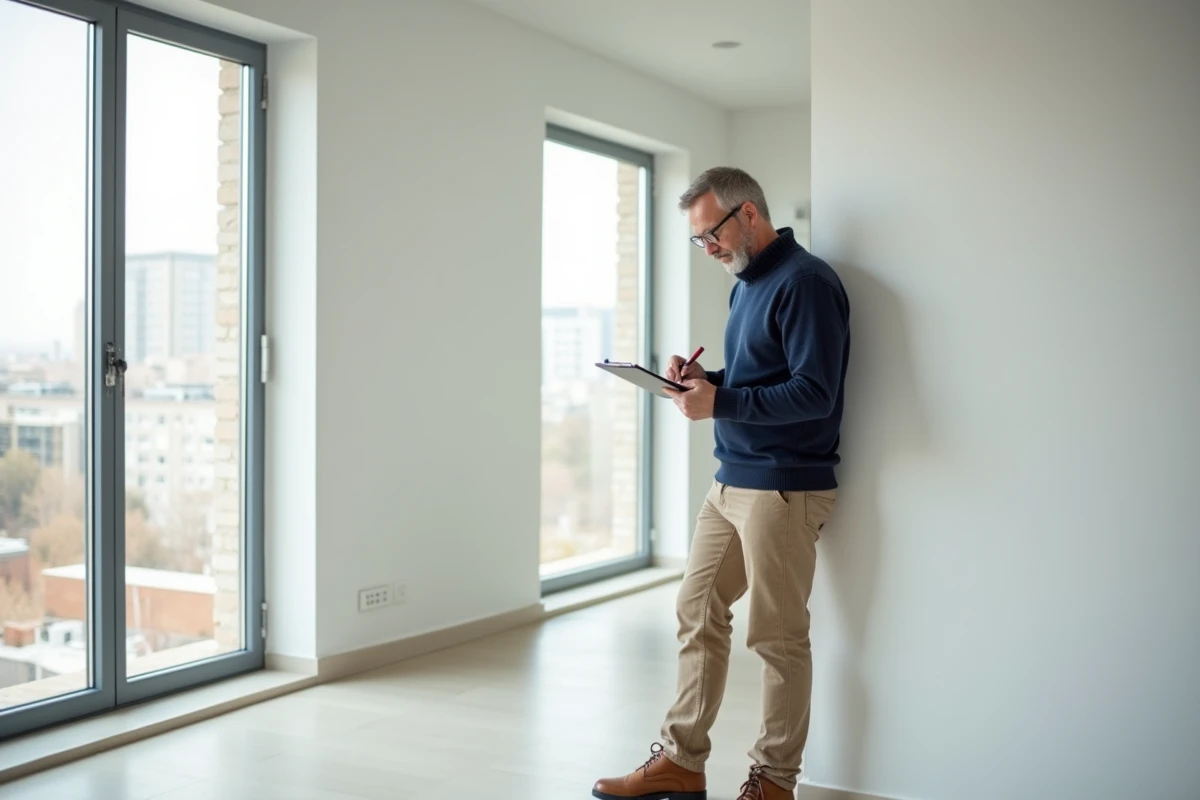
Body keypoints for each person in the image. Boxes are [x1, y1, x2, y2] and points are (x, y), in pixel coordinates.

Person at [592, 167, 850, 800]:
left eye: (712, 234)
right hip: (733, 478)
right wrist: (705, 383)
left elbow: (814, 393)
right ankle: (682, 762)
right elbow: (764, 376)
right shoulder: (748, 284)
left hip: (783, 485)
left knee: (776, 636)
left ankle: (775, 781)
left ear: (749, 214)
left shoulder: (807, 283)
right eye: (698, 239)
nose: (707, 248)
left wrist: (722, 402)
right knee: (696, 609)